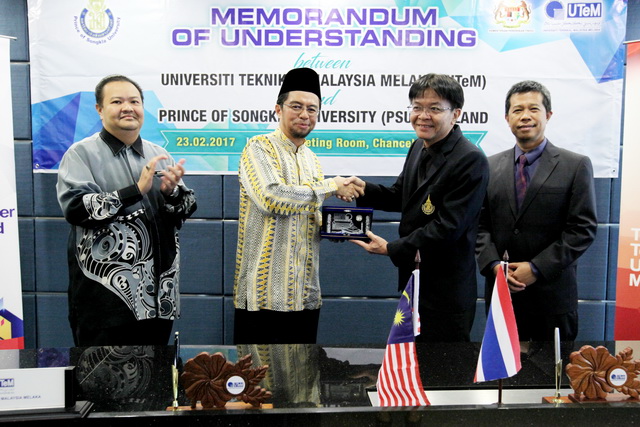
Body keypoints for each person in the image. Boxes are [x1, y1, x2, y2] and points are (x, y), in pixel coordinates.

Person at [57, 74, 197, 346]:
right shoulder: (80, 154)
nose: (127, 108)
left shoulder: (158, 154)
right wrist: (134, 190)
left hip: (159, 299)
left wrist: (172, 193)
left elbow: (185, 209)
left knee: (156, 371)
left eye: (134, 101)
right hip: (105, 303)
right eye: (117, 101)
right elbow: (75, 208)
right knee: (103, 371)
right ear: (99, 109)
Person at [351, 73, 489, 342]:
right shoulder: (418, 146)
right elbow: (401, 196)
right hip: (413, 283)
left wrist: (392, 249)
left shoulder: (470, 159)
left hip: (445, 293)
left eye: (434, 108)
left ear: (456, 114)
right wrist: (362, 188)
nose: (423, 116)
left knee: (441, 364)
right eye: (417, 107)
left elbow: (448, 228)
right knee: (410, 360)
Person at [233, 67, 364, 344]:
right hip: (264, 296)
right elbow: (271, 198)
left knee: (304, 371)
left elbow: (307, 212)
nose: (305, 114)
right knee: (260, 373)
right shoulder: (258, 147)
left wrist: (337, 228)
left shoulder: (311, 159)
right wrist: (331, 186)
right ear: (278, 109)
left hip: (305, 294)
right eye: (296, 106)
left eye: (312, 109)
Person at [476, 80, 597, 342]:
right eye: (517, 110)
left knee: (553, 368)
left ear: (548, 115)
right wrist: (494, 266)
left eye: (533, 109)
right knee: (502, 368)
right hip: (502, 294)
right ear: (507, 118)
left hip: (552, 298)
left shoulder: (575, 165)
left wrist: (536, 268)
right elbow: (479, 225)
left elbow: (582, 229)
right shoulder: (489, 166)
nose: (525, 116)